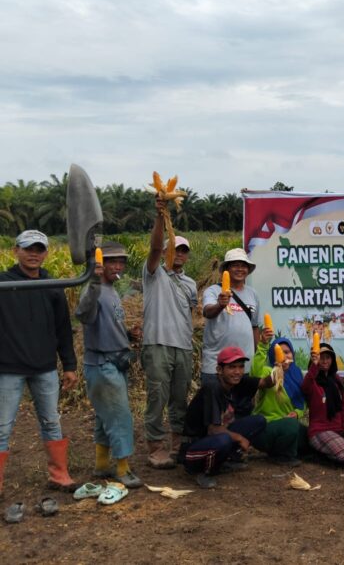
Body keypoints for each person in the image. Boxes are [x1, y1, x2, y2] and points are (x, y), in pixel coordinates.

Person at [0, 230, 79, 495]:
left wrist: (69, 365)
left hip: (45, 367)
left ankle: (59, 475)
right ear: (16, 251)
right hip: (8, 368)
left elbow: (63, 329)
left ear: (46, 253)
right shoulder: (3, 283)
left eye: (39, 249)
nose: (33, 254)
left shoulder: (52, 285)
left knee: (51, 421)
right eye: (28, 249)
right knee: (2, 427)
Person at [75, 241, 143, 489]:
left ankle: (102, 465)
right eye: (112, 261)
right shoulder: (93, 290)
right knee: (120, 416)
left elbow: (106, 325)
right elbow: (83, 314)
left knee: (106, 416)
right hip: (102, 363)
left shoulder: (111, 290)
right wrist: (93, 281)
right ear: (99, 265)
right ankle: (123, 469)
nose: (118, 266)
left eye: (121, 262)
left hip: (114, 362)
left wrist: (127, 334)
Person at [142, 196, 198, 469]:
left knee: (179, 398)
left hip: (183, 346)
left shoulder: (190, 283)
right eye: (174, 249)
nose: (179, 254)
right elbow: (154, 247)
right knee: (157, 397)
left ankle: (177, 443)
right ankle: (155, 446)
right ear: (165, 252)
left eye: (183, 251)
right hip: (158, 344)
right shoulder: (154, 274)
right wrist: (160, 216)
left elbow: (190, 314)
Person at [180, 346, 269, 488]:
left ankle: (227, 460)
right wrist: (240, 438)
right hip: (193, 449)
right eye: (232, 367)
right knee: (224, 438)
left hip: (212, 440)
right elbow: (214, 430)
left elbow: (265, 383)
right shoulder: (212, 387)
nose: (237, 371)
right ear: (219, 370)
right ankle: (202, 471)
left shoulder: (236, 382)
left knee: (259, 420)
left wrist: (280, 369)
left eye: (241, 366)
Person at [201, 248, 260, 384]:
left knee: (243, 399)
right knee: (214, 398)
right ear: (226, 269)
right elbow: (207, 312)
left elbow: (255, 327)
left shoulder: (253, 294)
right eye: (235, 265)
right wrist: (220, 305)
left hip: (244, 367)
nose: (240, 269)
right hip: (216, 367)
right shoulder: (213, 291)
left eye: (244, 266)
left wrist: (258, 355)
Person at [250, 334, 307, 463]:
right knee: (291, 426)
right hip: (266, 427)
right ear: (273, 356)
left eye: (287, 352)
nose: (285, 356)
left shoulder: (297, 373)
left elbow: (302, 402)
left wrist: (297, 413)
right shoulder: (268, 371)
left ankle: (284, 450)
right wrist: (263, 346)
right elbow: (255, 375)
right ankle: (282, 456)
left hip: (288, 425)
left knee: (308, 435)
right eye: (279, 352)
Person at [301, 342, 344, 464]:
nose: (324, 361)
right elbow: (305, 387)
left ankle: (325, 452)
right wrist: (314, 364)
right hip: (320, 431)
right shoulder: (312, 380)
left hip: (338, 429)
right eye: (321, 358)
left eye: (328, 357)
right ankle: (319, 455)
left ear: (332, 360)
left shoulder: (336, 379)